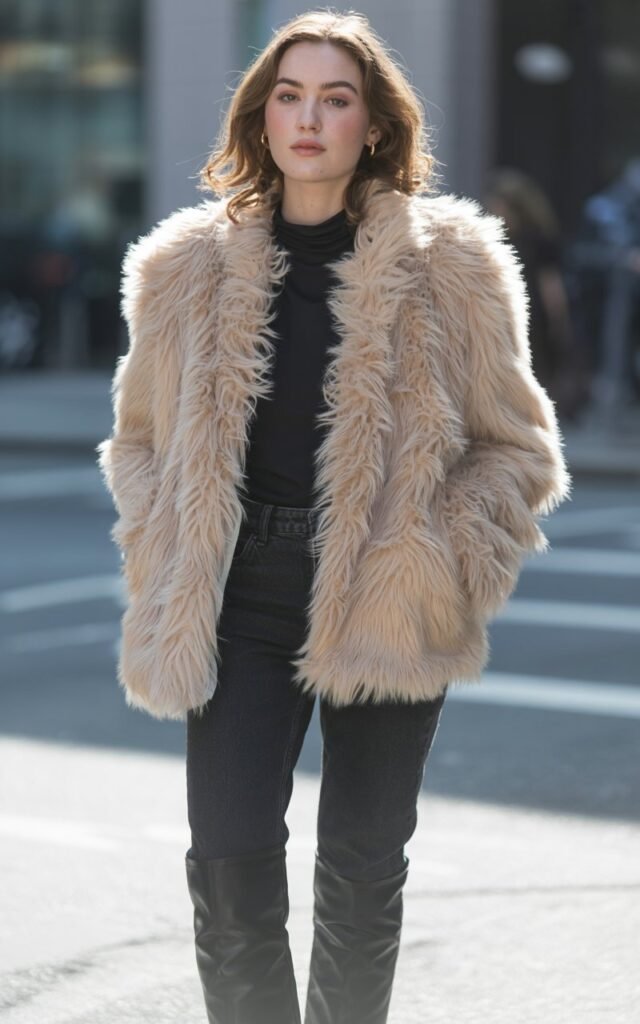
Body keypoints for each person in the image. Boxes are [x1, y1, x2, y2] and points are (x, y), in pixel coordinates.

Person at [97, 10, 571, 1024]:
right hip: (236, 593)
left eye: (336, 98)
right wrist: (162, 545)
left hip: (386, 584)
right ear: (260, 118)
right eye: (289, 95)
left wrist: (441, 559)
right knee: (226, 861)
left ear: (374, 126)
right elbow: (136, 441)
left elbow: (517, 446)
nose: (309, 118)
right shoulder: (180, 268)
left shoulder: (453, 265)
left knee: (360, 868)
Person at [483, 167, 590, 422]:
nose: (495, 210)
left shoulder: (537, 241)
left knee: (531, 369)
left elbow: (551, 286)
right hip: (504, 312)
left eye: (500, 205)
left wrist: (558, 322)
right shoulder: (496, 237)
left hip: (531, 316)